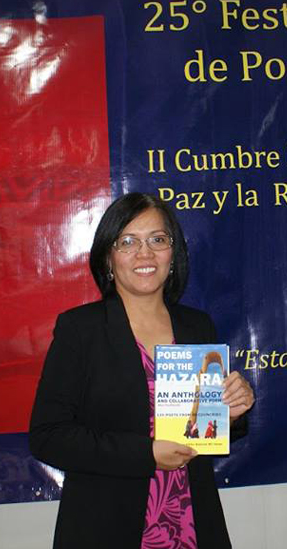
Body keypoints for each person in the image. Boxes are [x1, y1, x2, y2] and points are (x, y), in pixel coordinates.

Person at [29, 192, 254, 549]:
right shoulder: (81, 330)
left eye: (157, 240)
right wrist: (145, 454)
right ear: (108, 257)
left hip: (191, 525)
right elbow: (48, 437)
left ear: (173, 255)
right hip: (105, 528)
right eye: (128, 242)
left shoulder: (197, 327)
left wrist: (233, 412)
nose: (144, 253)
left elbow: (203, 434)